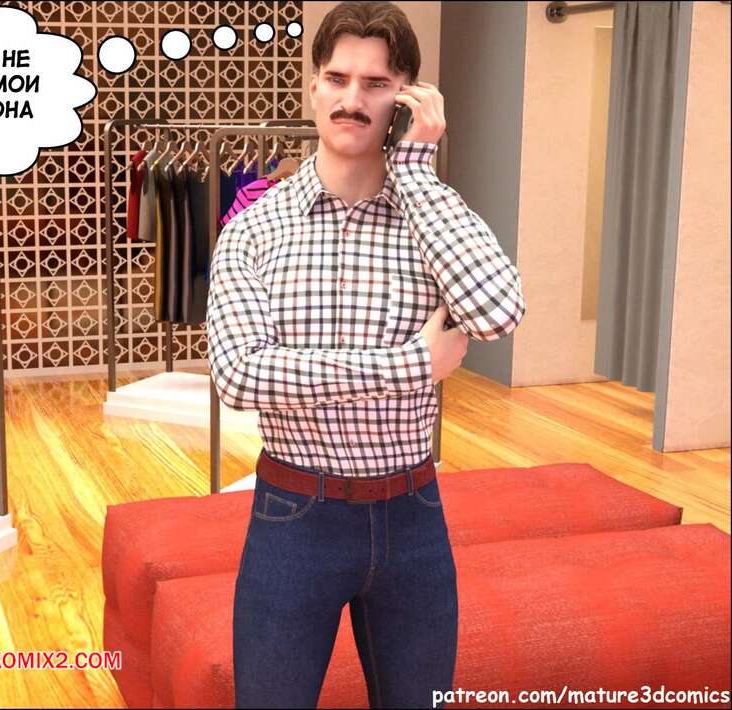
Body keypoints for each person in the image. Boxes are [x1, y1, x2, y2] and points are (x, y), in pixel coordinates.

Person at [205, 2, 527, 708]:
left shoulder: (434, 219)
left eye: (376, 84)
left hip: (413, 514)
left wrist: (416, 169)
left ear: (406, 98)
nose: (352, 99)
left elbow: (497, 312)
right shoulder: (253, 230)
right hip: (294, 516)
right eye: (337, 78)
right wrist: (410, 365)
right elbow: (240, 374)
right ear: (313, 86)